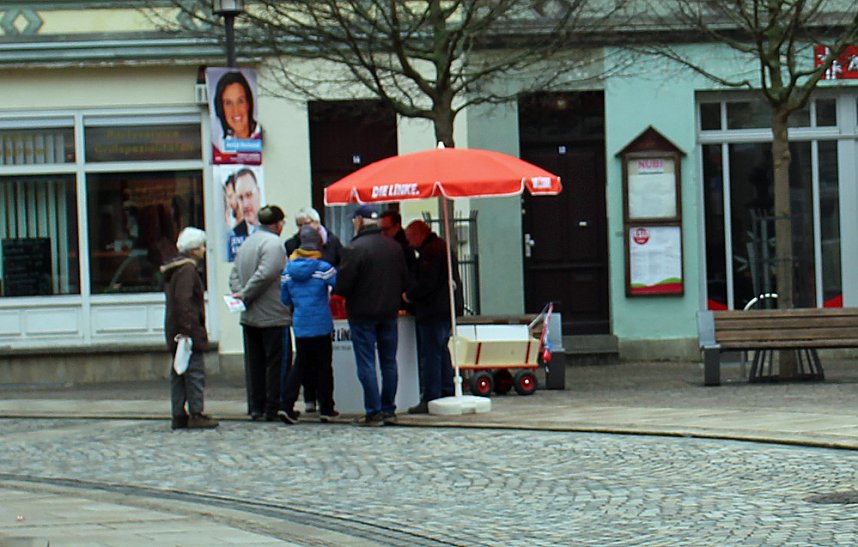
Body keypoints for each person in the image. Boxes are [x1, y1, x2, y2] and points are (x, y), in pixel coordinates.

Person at [334, 205, 408, 426]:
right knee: (389, 362)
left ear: (359, 221)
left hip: (362, 313)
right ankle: (389, 409)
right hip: (388, 312)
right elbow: (404, 279)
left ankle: (373, 411)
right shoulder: (394, 247)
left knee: (366, 363)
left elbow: (343, 286)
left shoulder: (354, 248)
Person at [229, 205, 291, 421]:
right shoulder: (273, 244)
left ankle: (256, 405)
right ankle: (273, 406)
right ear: (277, 224)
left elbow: (234, 274)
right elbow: (267, 273)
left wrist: (239, 294)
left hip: (250, 316)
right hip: (272, 314)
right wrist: (245, 294)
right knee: (276, 363)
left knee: (255, 363)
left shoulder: (248, 241)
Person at [283, 206, 343, 413]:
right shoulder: (323, 268)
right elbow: (338, 286)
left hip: (300, 322)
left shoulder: (288, 270)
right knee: (324, 365)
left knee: (300, 364)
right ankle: (326, 407)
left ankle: (287, 404)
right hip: (321, 321)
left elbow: (284, 298)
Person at [402, 220, 463, 414]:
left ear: (418, 234)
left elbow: (427, 282)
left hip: (432, 311)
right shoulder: (440, 247)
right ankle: (446, 390)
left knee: (431, 355)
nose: (410, 243)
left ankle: (431, 397)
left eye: (410, 238)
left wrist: (408, 295)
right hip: (444, 309)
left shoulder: (431, 251)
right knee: (441, 351)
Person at [161, 227, 218, 429]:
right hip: (186, 332)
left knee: (179, 372)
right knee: (193, 373)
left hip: (176, 330)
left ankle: (178, 413)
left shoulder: (177, 269)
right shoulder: (187, 271)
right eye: (201, 246)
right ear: (193, 249)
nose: (204, 249)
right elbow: (185, 302)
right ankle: (196, 413)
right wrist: (188, 331)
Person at [214, 71, 259, 141]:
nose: (236, 110)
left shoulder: (259, 135)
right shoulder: (224, 143)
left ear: (248, 104)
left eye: (240, 101)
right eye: (228, 103)